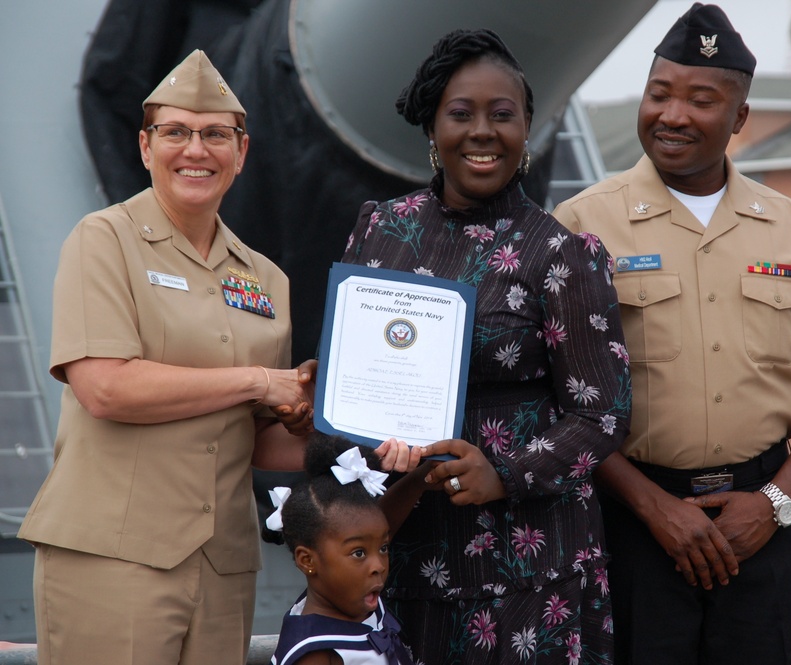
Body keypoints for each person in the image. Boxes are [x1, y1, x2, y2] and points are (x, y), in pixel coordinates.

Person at [552, 4, 791, 664]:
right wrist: (653, 508)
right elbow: (557, 394)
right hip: (631, 519)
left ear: (739, 119)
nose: (673, 114)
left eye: (701, 100)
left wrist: (775, 502)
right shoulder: (582, 222)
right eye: (659, 94)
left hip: (766, 522)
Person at [336, 28, 632, 665]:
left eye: (503, 115)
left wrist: (504, 476)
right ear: (432, 127)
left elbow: (602, 415)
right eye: (460, 113)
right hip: (402, 542)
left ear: (528, 129)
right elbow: (350, 372)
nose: (482, 131)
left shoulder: (561, 254)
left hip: (526, 560)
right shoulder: (381, 230)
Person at [17, 50, 313, 665]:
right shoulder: (104, 240)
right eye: (175, 132)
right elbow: (106, 389)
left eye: (214, 135)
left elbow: (259, 440)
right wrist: (260, 379)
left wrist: (343, 427)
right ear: (147, 147)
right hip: (114, 558)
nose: (196, 150)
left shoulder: (267, 280)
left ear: (242, 151)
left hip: (221, 562)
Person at [267, 435, 415, 665]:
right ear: (307, 561)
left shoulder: (357, 605)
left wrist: (423, 479)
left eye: (383, 548)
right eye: (359, 553)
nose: (378, 566)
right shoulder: (316, 652)